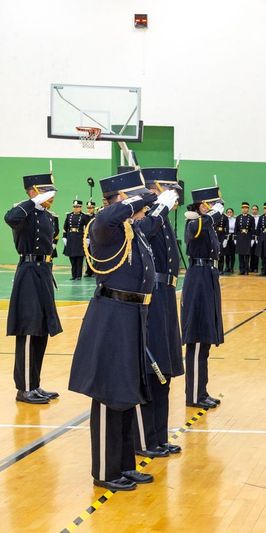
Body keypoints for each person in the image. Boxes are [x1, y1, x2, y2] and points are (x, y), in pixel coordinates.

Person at [69, 169, 176, 491]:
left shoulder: (132, 228)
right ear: (124, 200)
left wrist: (162, 203)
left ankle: (125, 465)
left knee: (127, 392)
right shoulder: (105, 227)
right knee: (108, 393)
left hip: (133, 317)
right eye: (137, 201)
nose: (144, 209)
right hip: (111, 318)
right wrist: (146, 196)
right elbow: (111, 215)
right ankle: (105, 471)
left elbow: (152, 221)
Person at [134, 168, 184, 459]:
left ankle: (159, 437)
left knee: (164, 370)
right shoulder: (145, 214)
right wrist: (159, 206)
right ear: (155, 187)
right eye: (169, 188)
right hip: (151, 296)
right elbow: (143, 230)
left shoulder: (161, 215)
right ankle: (144, 439)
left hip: (165, 296)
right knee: (150, 369)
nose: (175, 194)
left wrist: (163, 208)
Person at [4, 172, 62, 404]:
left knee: (41, 330)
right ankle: (25, 388)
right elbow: (10, 218)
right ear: (33, 191)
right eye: (45, 193)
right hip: (28, 272)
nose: (51, 197)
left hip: (44, 273)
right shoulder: (22, 212)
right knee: (28, 330)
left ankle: (35, 384)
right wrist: (33, 202)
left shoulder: (49, 216)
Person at [182, 185, 226, 408]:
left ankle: (202, 391)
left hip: (208, 276)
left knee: (205, 339)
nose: (213, 207)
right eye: (210, 204)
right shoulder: (194, 223)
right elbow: (199, 226)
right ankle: (194, 396)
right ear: (201, 206)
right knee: (198, 337)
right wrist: (214, 213)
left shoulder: (206, 223)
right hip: (198, 278)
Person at [64, 199, 88, 280]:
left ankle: (78, 275)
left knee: (79, 258)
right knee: (72, 258)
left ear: (81, 207)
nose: (75, 208)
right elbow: (65, 228)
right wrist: (64, 237)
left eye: (77, 207)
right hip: (71, 237)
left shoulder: (84, 216)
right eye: (74, 207)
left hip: (79, 238)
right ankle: (73, 275)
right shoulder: (69, 216)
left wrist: (87, 239)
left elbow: (87, 228)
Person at [234, 202, 254, 275]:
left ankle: (246, 270)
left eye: (246, 208)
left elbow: (252, 229)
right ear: (241, 209)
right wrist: (235, 238)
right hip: (240, 237)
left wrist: (252, 239)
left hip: (247, 237)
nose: (244, 209)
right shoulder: (238, 217)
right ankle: (241, 270)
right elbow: (236, 228)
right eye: (243, 208)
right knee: (240, 255)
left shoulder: (251, 218)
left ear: (248, 209)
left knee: (247, 255)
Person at [83, 199, 96, 278]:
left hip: (94, 238)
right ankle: (88, 271)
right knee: (87, 256)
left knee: (94, 256)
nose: (89, 209)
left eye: (91, 208)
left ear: (94, 208)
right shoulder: (84, 217)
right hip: (87, 238)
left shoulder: (96, 216)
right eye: (88, 208)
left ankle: (94, 271)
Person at [222, 207, 236, 274]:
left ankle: (232, 267)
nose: (229, 213)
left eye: (230, 212)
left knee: (232, 253)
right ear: (226, 213)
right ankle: (227, 267)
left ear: (233, 213)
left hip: (232, 237)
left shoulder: (235, 220)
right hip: (226, 237)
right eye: (228, 212)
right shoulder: (225, 219)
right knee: (226, 253)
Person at [249, 204, 261, 273]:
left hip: (258, 236)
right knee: (251, 252)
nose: (254, 211)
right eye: (253, 209)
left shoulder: (260, 217)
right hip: (250, 236)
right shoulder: (249, 217)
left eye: (256, 209)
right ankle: (251, 267)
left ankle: (256, 267)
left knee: (257, 252)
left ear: (258, 210)